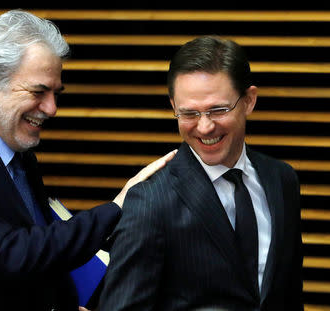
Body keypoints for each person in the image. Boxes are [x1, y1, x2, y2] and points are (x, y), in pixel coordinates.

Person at [0, 10, 176, 311]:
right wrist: (117, 208)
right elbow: (11, 254)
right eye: (39, 91)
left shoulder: (18, 157)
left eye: (55, 93)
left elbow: (41, 255)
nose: (51, 108)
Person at [99, 36, 303, 310]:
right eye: (189, 114)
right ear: (174, 107)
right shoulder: (150, 201)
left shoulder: (282, 179)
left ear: (249, 101)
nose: (205, 127)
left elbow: (289, 294)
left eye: (218, 110)